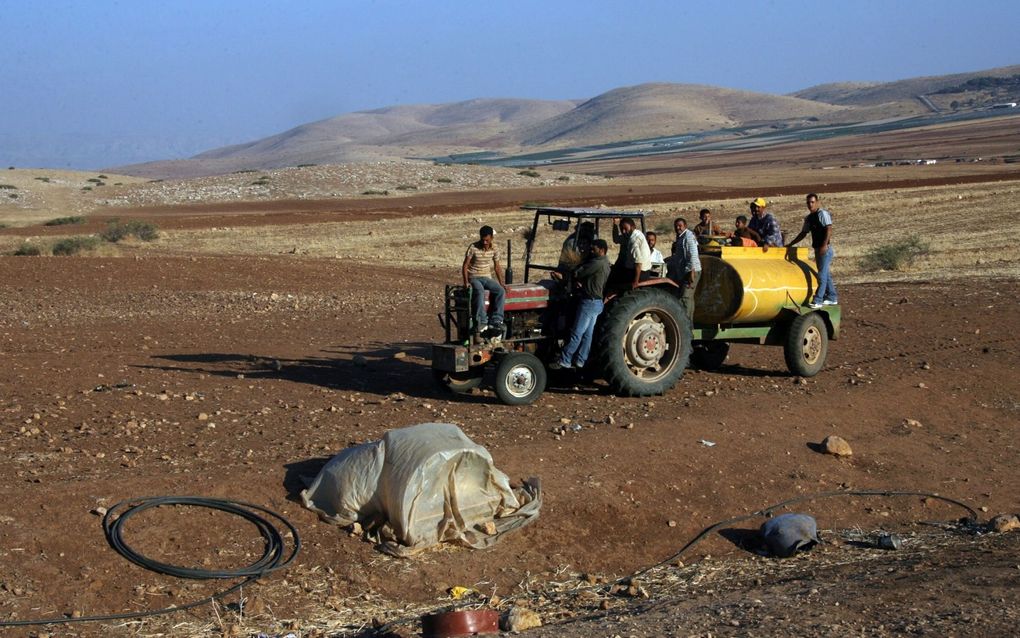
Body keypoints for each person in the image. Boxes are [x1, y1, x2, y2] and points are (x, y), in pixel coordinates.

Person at [551, 239, 611, 370]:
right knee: (587, 334)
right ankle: (580, 360)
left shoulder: (597, 263)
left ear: (601, 250)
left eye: (593, 249)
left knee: (577, 332)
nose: (591, 251)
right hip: (597, 302)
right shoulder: (606, 263)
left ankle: (565, 359)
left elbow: (579, 273)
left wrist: (572, 273)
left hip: (588, 302)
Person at [787, 193, 838, 308]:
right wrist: (791, 244)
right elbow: (803, 233)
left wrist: (824, 245)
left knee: (821, 275)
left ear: (817, 202)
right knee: (825, 274)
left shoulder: (822, 214)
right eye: (808, 203)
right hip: (817, 248)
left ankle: (818, 299)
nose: (810, 205)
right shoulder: (809, 218)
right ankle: (832, 297)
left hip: (825, 249)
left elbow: (829, 229)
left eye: (812, 202)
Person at [462, 225, 507, 339]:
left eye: (487, 240)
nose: (485, 242)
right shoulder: (473, 247)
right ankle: (482, 321)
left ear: (492, 238)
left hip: (487, 277)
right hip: (474, 277)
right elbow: (465, 265)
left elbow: (497, 267)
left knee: (500, 291)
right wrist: (466, 282)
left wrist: (501, 282)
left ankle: (496, 320)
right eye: (483, 239)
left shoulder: (495, 248)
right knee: (479, 291)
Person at [667, 217, 701, 320]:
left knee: (685, 297)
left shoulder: (688, 236)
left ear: (685, 226)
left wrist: (692, 271)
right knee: (688, 297)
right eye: (676, 226)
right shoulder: (681, 237)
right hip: (685, 271)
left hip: (691, 271)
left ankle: (686, 323)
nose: (678, 228)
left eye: (680, 225)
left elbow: (693, 255)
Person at [611, 217, 652, 289]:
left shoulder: (634, 240)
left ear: (633, 227)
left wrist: (635, 282)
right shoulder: (629, 235)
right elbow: (616, 239)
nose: (623, 231)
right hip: (633, 269)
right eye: (621, 229)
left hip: (640, 272)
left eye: (625, 228)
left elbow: (638, 263)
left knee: (614, 280)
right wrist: (615, 224)